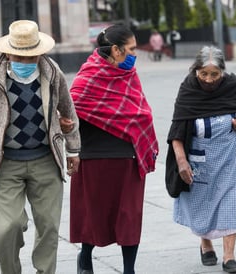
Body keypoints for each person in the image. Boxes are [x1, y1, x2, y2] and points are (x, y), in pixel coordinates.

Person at [0, 20, 81, 274]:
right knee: (6, 229)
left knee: (49, 226)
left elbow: (68, 113)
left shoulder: (52, 72)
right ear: (7, 52)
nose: (26, 63)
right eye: (20, 57)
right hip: (5, 164)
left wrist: (73, 149)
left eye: (32, 57)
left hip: (46, 160)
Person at [165, 46, 236, 273]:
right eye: (204, 74)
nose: (209, 80)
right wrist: (182, 161)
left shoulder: (235, 87)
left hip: (232, 159)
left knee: (232, 204)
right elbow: (177, 133)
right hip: (200, 162)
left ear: (223, 72)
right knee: (202, 205)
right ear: (195, 71)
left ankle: (229, 256)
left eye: (215, 75)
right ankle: (205, 243)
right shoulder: (188, 91)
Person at [69, 24, 159, 274]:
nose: (134, 54)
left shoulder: (129, 75)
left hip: (128, 156)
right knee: (91, 215)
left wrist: (136, 121)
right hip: (94, 157)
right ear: (117, 50)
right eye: (131, 49)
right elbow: (70, 110)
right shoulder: (87, 77)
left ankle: (129, 269)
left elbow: (141, 112)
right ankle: (85, 258)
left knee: (129, 217)